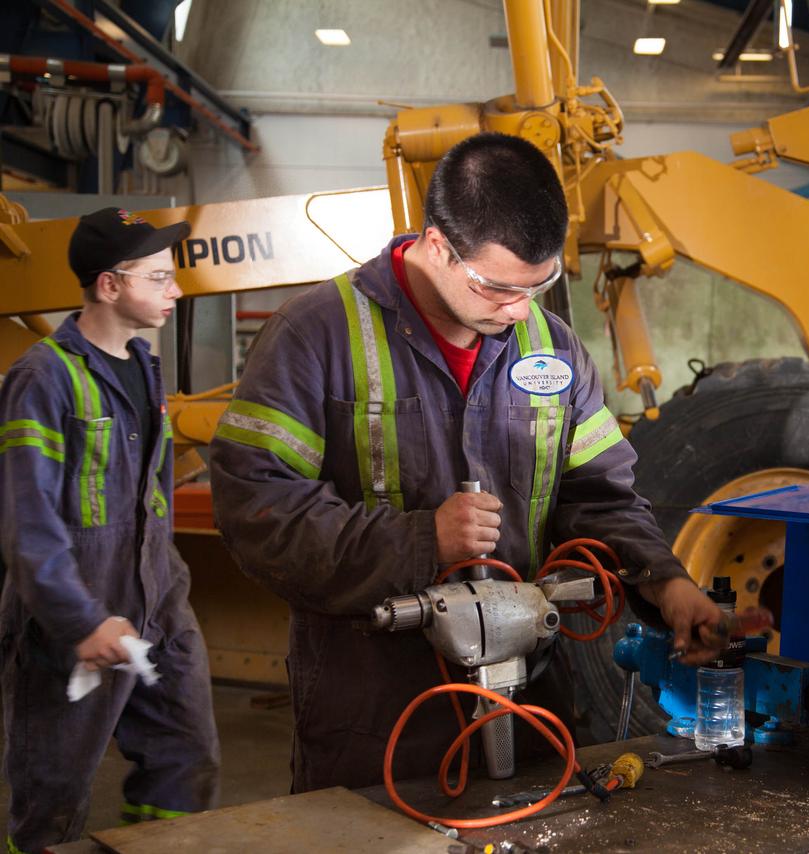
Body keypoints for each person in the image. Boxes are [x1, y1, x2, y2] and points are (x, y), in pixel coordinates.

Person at [209, 132, 726, 793]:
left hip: (531, 699)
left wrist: (666, 582)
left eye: (537, 287)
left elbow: (602, 498)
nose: (517, 311)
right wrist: (422, 540)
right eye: (496, 288)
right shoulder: (318, 335)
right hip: (375, 710)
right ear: (435, 245)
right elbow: (258, 509)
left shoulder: (552, 350)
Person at [0, 208, 220, 852]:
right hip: (74, 613)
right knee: (53, 791)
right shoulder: (44, 378)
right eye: (158, 277)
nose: (174, 290)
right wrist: (78, 619)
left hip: (158, 600)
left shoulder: (142, 364)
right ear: (109, 285)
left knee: (186, 755)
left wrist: (165, 590)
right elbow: (28, 521)